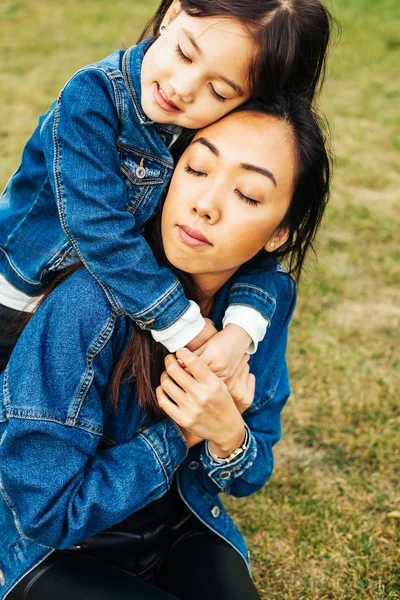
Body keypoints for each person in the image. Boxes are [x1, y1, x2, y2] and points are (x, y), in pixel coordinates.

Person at [0, 97, 331, 599]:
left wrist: (227, 434)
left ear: (279, 232)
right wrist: (183, 434)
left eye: (247, 194)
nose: (205, 204)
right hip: (54, 554)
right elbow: (45, 513)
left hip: (182, 528)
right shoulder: (88, 305)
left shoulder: (256, 312)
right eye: (197, 168)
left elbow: (251, 471)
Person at [0, 0, 333, 374]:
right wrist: (179, 323)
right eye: (184, 53)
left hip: (103, 303)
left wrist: (242, 328)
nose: (182, 88)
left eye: (220, 91)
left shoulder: (209, 130)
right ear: (172, 16)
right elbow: (96, 226)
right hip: (18, 295)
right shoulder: (92, 98)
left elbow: (256, 256)